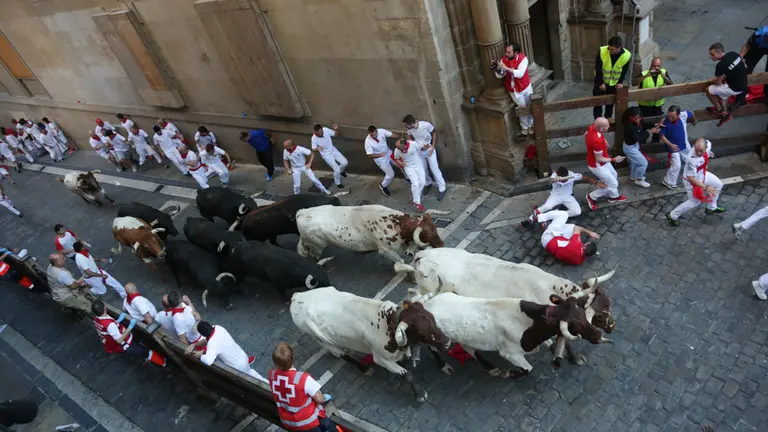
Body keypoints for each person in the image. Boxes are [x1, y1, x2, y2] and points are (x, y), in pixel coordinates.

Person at [269, 342, 336, 432]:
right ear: (292, 358)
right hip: (308, 422)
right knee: (329, 426)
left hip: (287, 420)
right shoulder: (303, 379)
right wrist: (323, 397)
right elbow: (320, 399)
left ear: (276, 363)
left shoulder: (272, 374)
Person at [666, 138, 725, 226]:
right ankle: (672, 215)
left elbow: (707, 149)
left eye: (701, 151)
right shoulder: (691, 160)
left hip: (702, 174)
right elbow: (691, 178)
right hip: (693, 181)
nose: (698, 153)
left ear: (706, 148)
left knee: (718, 184)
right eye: (697, 151)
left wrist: (709, 153)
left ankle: (711, 208)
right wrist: (706, 188)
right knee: (694, 202)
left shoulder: (708, 144)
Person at [185, 321, 267, 383]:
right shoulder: (218, 327)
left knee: (252, 381)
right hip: (242, 355)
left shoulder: (213, 343)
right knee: (252, 373)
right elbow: (207, 341)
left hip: (237, 366)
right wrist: (194, 345)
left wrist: (200, 355)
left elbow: (208, 360)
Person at [91, 300, 166, 366]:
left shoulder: (97, 319)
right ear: (104, 308)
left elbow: (108, 330)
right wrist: (130, 328)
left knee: (143, 349)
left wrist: (118, 321)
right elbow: (119, 340)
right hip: (127, 345)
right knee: (147, 353)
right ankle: (162, 362)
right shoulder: (110, 325)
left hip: (126, 339)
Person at [523, 167, 604, 223]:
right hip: (555, 196)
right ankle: (530, 219)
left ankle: (556, 215)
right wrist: (554, 179)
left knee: (577, 212)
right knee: (547, 207)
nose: (564, 180)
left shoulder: (572, 175)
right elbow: (550, 181)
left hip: (568, 196)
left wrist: (596, 182)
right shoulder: (554, 176)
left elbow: (587, 177)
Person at [528, 210, 600, 265]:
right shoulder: (579, 261)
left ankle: (539, 218)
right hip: (549, 246)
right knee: (571, 229)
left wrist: (589, 232)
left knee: (564, 215)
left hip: (547, 237)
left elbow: (577, 228)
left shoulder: (577, 244)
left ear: (584, 247)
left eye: (585, 244)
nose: (583, 243)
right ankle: (549, 226)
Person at [403, 114, 447, 201]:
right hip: (419, 151)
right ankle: (428, 183)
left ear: (411, 123)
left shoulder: (425, 125)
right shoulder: (410, 129)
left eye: (406, 125)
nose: (406, 127)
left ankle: (442, 188)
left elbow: (434, 132)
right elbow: (410, 137)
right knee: (423, 169)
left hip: (429, 150)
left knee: (434, 169)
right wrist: (413, 143)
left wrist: (432, 147)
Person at [585, 117, 625, 210]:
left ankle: (613, 196)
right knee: (613, 184)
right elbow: (599, 159)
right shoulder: (597, 141)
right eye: (607, 126)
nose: (609, 127)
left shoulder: (592, 127)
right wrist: (614, 159)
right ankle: (592, 196)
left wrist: (603, 140)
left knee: (614, 176)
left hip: (600, 161)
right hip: (598, 165)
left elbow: (586, 134)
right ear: (601, 129)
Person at [494, 42, 534, 136]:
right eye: (506, 52)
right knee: (522, 108)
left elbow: (519, 74)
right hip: (513, 90)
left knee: (529, 106)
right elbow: (500, 76)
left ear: (515, 53)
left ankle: (531, 125)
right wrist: (499, 70)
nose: (506, 54)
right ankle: (525, 127)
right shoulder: (504, 60)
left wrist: (506, 68)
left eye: (509, 52)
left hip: (525, 87)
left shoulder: (523, 59)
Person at [706, 42, 748, 127]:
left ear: (720, 53)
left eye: (712, 54)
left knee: (708, 89)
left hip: (734, 88)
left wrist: (712, 80)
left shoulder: (720, 65)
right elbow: (743, 64)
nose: (711, 57)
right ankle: (725, 113)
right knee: (721, 92)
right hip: (744, 84)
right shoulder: (734, 54)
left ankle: (720, 110)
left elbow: (718, 82)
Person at [593, 36, 631, 121]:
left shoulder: (626, 55)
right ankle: (597, 119)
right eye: (609, 48)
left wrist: (620, 82)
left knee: (610, 102)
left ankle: (608, 117)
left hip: (613, 83)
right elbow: (598, 68)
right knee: (597, 101)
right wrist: (600, 82)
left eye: (612, 49)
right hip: (601, 80)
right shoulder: (602, 51)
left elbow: (624, 70)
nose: (609, 51)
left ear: (619, 48)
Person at [635, 57, 672, 142]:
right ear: (651, 65)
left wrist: (664, 78)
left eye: (658, 66)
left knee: (658, 123)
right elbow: (634, 82)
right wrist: (645, 76)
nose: (656, 68)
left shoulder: (663, 72)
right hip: (645, 105)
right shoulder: (644, 73)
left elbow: (671, 83)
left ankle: (655, 141)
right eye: (654, 66)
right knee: (643, 124)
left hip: (658, 105)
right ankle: (642, 142)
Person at [660, 105, 697, 189]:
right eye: (669, 116)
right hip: (673, 148)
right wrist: (671, 145)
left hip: (684, 144)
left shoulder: (683, 115)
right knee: (676, 165)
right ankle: (668, 181)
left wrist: (694, 121)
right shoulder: (665, 121)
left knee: (691, 159)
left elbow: (691, 113)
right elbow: (662, 136)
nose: (670, 118)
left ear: (678, 114)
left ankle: (692, 175)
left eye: (672, 117)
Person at [623, 106, 661, 188]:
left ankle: (633, 176)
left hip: (633, 146)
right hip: (630, 148)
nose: (638, 120)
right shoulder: (629, 127)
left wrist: (654, 124)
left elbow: (643, 123)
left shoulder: (637, 121)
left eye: (639, 118)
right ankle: (639, 180)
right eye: (635, 118)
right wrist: (650, 131)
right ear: (630, 117)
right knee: (643, 163)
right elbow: (638, 138)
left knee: (635, 162)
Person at [364, 126, 401, 197]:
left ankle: (408, 179)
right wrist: (380, 154)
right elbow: (369, 155)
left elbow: (393, 135)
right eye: (372, 135)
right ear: (369, 134)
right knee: (391, 174)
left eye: (375, 134)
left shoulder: (381, 131)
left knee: (401, 165)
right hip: (381, 160)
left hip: (389, 153)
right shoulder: (367, 142)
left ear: (376, 131)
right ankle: (383, 186)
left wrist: (399, 136)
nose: (374, 136)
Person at [392, 138, 426, 212]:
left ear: (404, 144)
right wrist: (401, 163)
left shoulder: (413, 144)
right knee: (415, 183)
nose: (398, 149)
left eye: (399, 147)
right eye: (397, 147)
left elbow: (421, 148)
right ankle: (416, 202)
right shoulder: (397, 151)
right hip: (408, 167)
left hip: (418, 164)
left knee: (423, 183)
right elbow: (396, 158)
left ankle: (415, 197)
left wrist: (425, 147)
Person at [311, 124, 348, 189]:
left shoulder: (326, 130)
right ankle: (337, 183)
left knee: (345, 163)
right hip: (326, 155)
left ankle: (340, 171)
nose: (320, 134)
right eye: (318, 133)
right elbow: (313, 148)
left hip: (333, 150)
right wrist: (317, 149)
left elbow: (336, 135)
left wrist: (336, 129)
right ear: (315, 132)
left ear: (322, 129)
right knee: (336, 169)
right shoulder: (314, 138)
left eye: (321, 132)